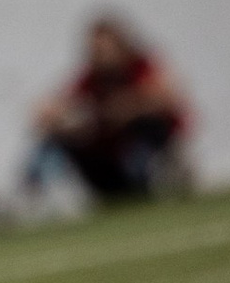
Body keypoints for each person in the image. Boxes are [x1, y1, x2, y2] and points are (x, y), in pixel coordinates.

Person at [27, 16, 194, 205]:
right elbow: (59, 106)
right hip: (109, 161)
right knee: (55, 141)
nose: (99, 55)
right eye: (95, 50)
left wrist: (127, 107)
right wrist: (58, 115)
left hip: (142, 153)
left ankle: (166, 180)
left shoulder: (140, 68)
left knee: (146, 128)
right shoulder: (90, 80)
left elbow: (168, 96)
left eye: (103, 49)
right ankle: (32, 196)